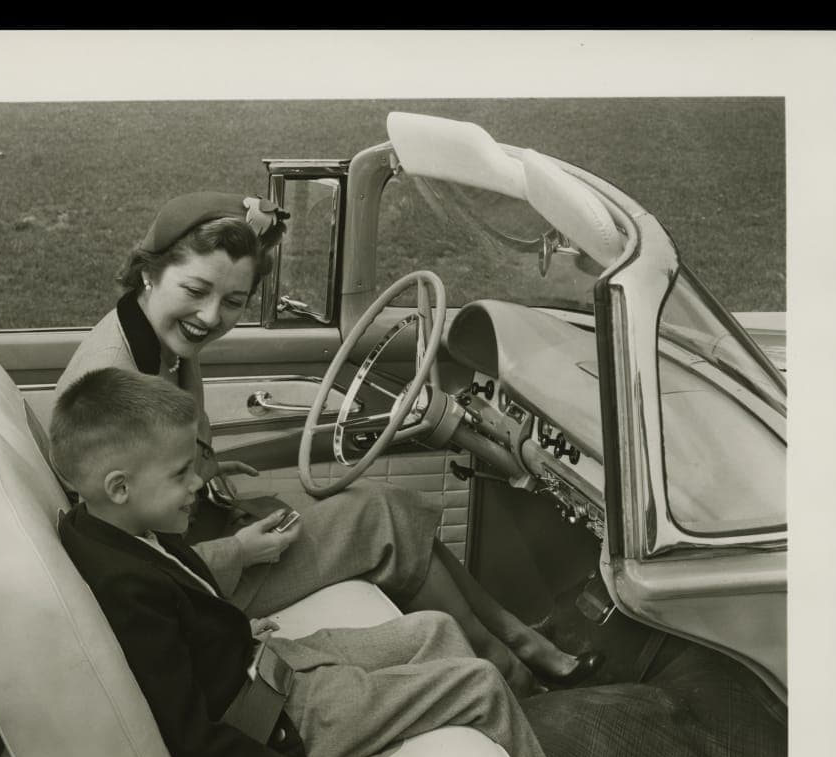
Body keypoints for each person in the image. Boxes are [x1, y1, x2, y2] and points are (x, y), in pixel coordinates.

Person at [50, 366, 666, 757]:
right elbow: (185, 737)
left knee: (434, 630)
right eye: (182, 473)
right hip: (282, 728)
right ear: (119, 486)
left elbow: (192, 620)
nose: (197, 484)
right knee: (477, 683)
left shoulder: (112, 528)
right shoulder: (124, 586)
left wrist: (237, 631)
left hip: (271, 668)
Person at [53, 191, 602, 697]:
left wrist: (209, 469)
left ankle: (525, 647)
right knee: (382, 519)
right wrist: (240, 551)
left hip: (205, 538)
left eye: (233, 302)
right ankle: (516, 678)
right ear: (150, 272)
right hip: (199, 587)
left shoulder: (154, 338)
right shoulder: (116, 380)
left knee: (393, 514)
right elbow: (128, 565)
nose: (210, 317)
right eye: (196, 291)